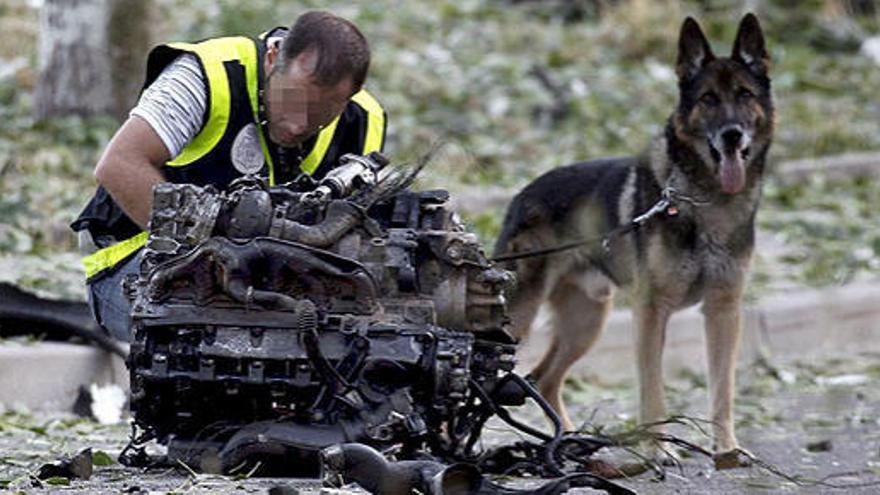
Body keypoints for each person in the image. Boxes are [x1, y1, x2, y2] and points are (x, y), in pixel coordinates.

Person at [71, 11, 387, 342]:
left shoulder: (364, 120)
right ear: (273, 57)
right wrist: (205, 242)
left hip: (274, 278)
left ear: (351, 95)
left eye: (323, 113)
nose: (298, 125)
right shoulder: (207, 74)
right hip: (135, 260)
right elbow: (118, 165)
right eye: (293, 100)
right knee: (218, 337)